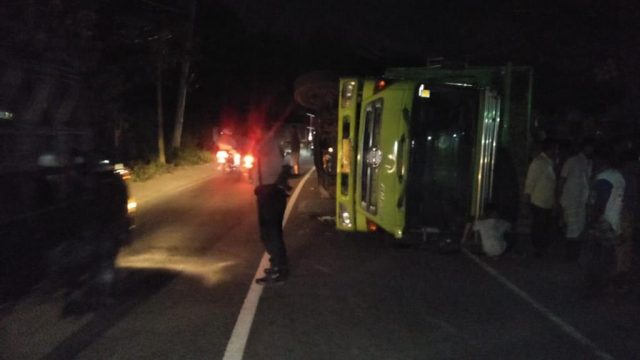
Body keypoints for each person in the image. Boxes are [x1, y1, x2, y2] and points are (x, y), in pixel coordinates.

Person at [582, 146, 625, 297]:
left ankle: (597, 285)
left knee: (597, 255)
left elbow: (598, 202)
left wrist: (592, 219)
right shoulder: (618, 176)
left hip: (603, 221)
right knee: (608, 255)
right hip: (615, 221)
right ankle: (607, 284)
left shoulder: (603, 178)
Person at [253, 122, 292, 285]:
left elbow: (279, 167)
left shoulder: (268, 144)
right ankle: (277, 263)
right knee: (268, 233)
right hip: (267, 192)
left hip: (271, 193)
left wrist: (268, 188)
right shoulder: (267, 143)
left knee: (271, 233)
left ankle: (279, 269)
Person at [558, 140, 594, 260]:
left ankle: (572, 254)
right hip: (571, 199)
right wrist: (559, 195)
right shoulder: (572, 161)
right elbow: (562, 180)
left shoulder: (588, 163)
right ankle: (570, 254)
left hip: (580, 200)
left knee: (576, 227)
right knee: (571, 226)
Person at [524, 138, 558, 257]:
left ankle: (541, 248)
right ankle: (538, 248)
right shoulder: (538, 162)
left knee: (544, 226)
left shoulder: (549, 162)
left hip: (547, 201)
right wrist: (527, 197)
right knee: (539, 226)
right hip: (538, 200)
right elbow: (530, 181)